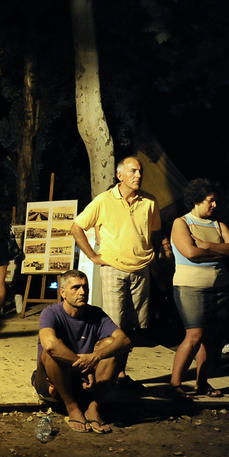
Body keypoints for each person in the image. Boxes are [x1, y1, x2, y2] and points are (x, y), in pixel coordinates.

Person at [71, 155, 165, 378]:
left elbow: (155, 230)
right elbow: (76, 227)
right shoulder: (104, 200)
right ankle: (106, 375)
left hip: (141, 270)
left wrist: (151, 253)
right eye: (133, 171)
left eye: (140, 171)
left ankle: (120, 373)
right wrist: (93, 256)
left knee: (133, 326)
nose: (138, 175)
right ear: (119, 175)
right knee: (114, 327)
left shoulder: (149, 201)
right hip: (113, 268)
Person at [33, 269, 131, 434]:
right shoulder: (51, 313)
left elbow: (124, 340)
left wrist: (95, 357)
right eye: (76, 287)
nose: (82, 292)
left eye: (85, 287)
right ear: (63, 293)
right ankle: (72, 408)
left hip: (85, 384)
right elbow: (50, 344)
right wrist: (84, 367)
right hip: (54, 382)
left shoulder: (96, 313)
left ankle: (93, 407)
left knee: (111, 345)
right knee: (51, 352)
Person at [167, 179, 229, 398]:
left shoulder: (218, 225)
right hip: (191, 287)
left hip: (220, 288)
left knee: (212, 339)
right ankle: (175, 384)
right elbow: (190, 253)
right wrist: (220, 251)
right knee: (194, 335)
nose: (215, 205)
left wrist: (206, 246)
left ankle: (202, 383)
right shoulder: (182, 223)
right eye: (211, 200)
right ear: (197, 200)